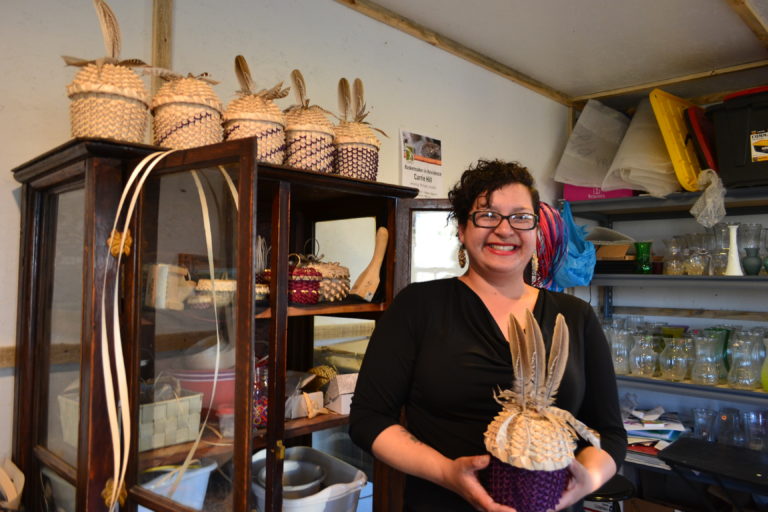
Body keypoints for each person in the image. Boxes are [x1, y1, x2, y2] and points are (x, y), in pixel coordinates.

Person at [349, 159, 626, 511]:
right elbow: (368, 419)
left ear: (536, 230)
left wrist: (587, 479)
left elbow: (611, 434)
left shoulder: (574, 316)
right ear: (462, 230)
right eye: (487, 215)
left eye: (521, 217)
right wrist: (448, 473)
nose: (504, 230)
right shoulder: (418, 306)